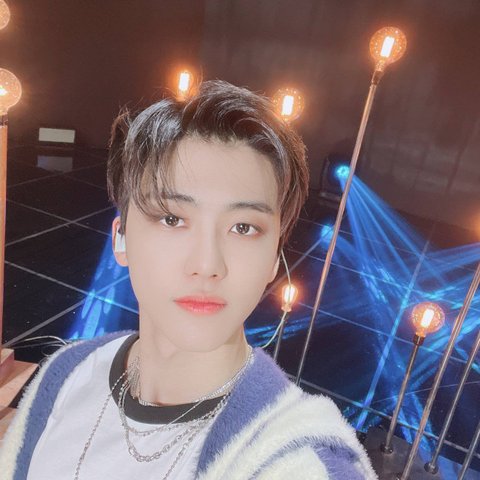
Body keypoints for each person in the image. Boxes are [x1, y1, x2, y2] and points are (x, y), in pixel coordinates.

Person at [0, 80, 377, 479]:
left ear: (274, 258)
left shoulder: (297, 460)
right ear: (121, 239)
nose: (207, 264)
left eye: (244, 227)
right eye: (172, 219)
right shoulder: (67, 373)